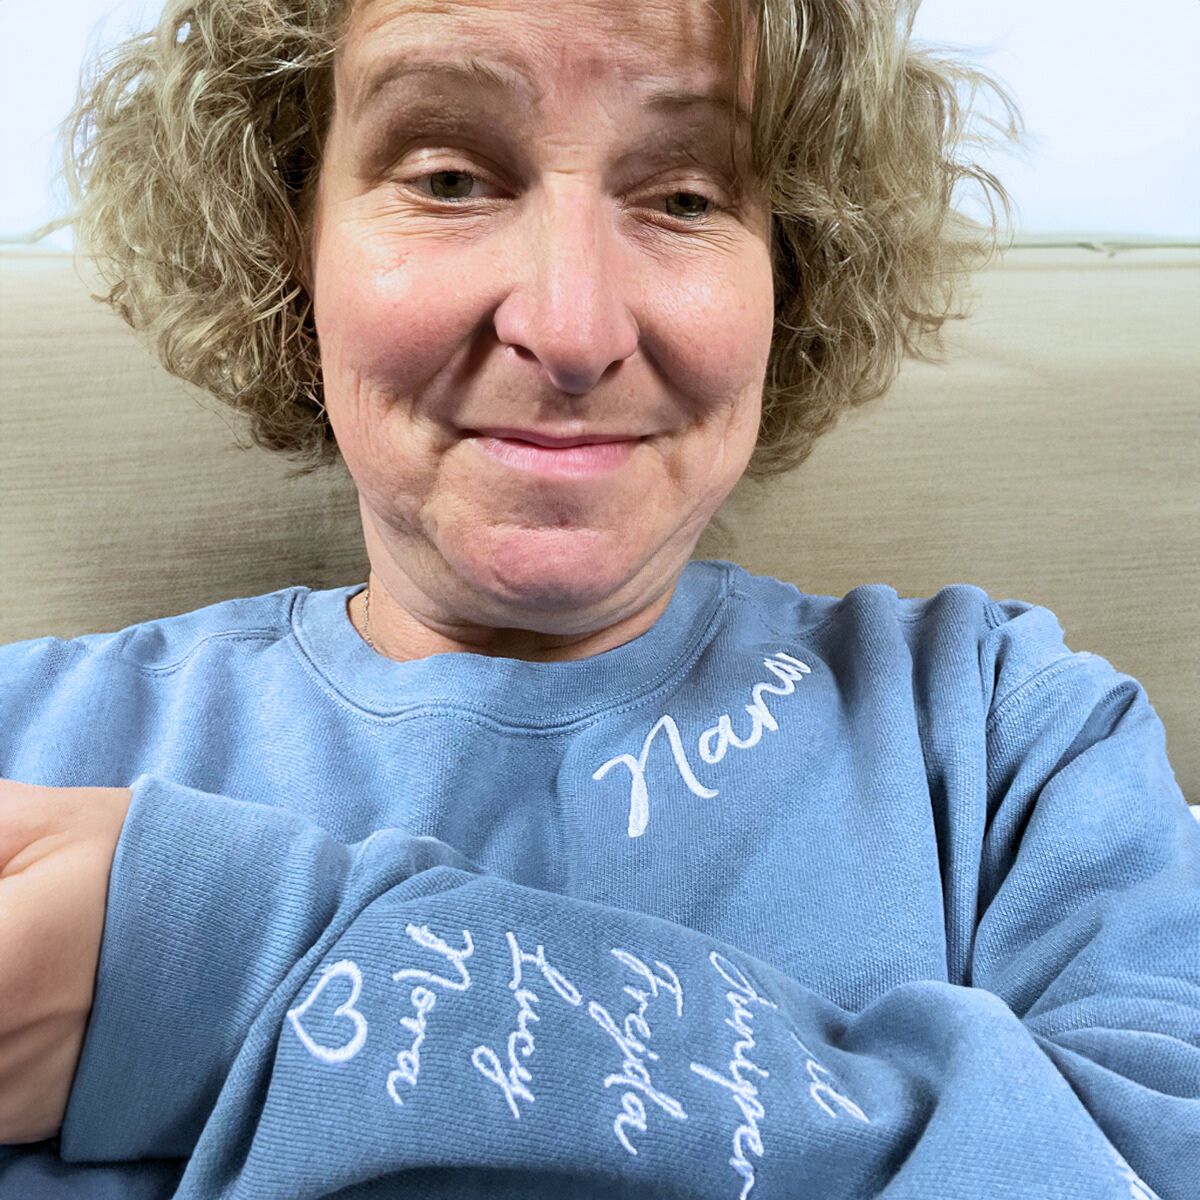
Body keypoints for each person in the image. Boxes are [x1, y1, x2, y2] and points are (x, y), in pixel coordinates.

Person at [0, 0, 1196, 1196]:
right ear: (284, 234)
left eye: (684, 197)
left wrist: (237, 967)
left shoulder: (1012, 742)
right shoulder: (28, 740)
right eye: (451, 176)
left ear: (795, 268)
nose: (570, 329)